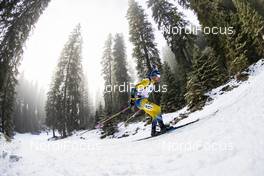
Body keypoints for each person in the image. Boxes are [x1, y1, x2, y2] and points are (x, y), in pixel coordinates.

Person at [130, 68, 167, 136]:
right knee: (158, 109)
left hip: (143, 102)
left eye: (159, 77)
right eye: (158, 76)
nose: (159, 78)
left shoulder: (152, 84)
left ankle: (153, 132)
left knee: (154, 115)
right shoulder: (147, 81)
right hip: (140, 102)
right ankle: (162, 127)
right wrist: (132, 101)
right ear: (154, 76)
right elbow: (133, 89)